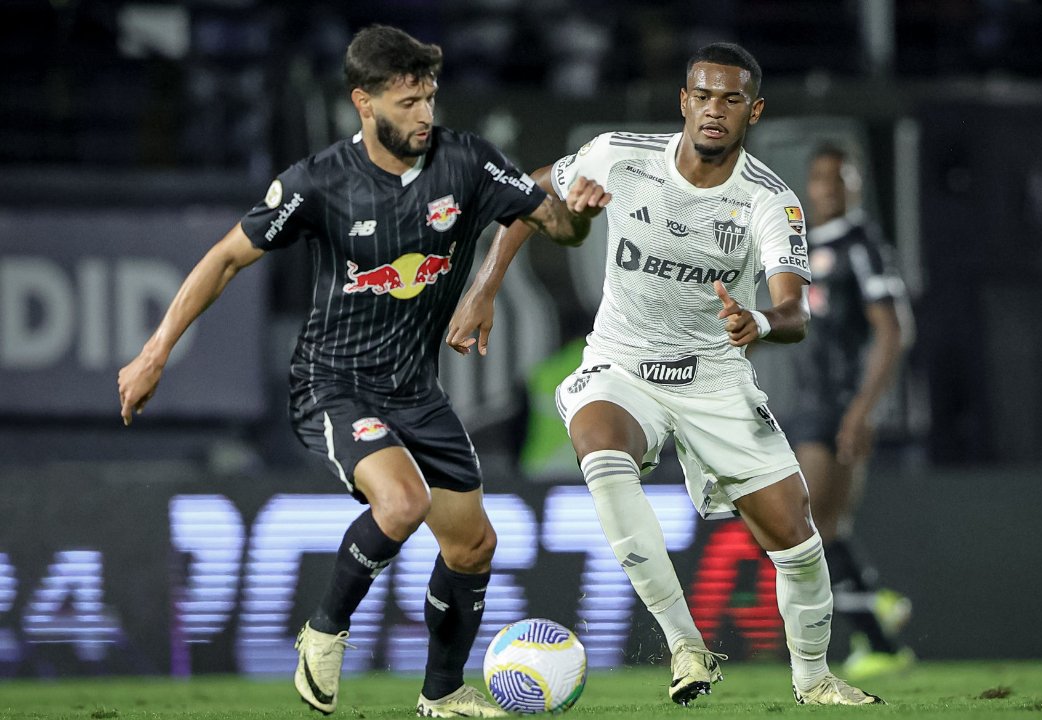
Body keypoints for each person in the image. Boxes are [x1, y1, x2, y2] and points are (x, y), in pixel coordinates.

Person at [117, 25, 607, 718]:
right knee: (402, 504)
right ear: (362, 102)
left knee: (473, 546)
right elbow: (225, 257)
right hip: (333, 383)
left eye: (429, 98)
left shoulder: (465, 161)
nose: (424, 115)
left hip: (416, 390)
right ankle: (324, 632)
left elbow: (550, 222)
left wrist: (579, 217)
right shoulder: (318, 181)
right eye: (407, 102)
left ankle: (442, 694)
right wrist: (155, 350)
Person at [447, 43, 883, 706]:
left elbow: (794, 309)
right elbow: (531, 193)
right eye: (703, 96)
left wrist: (762, 323)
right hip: (621, 362)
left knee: (794, 538)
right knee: (599, 445)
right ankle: (686, 644)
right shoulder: (619, 154)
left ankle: (815, 678)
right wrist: (483, 288)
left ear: (753, 111)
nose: (714, 110)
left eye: (731, 99)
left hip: (713, 375)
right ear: (684, 101)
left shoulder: (769, 200)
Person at [782, 142, 916, 680]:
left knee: (806, 522)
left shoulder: (863, 244)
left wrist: (861, 409)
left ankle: (876, 609)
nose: (827, 188)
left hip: (838, 403)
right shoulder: (809, 244)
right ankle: (880, 633)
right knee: (823, 526)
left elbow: (893, 329)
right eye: (818, 178)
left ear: (856, 185)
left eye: (839, 178)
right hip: (811, 399)